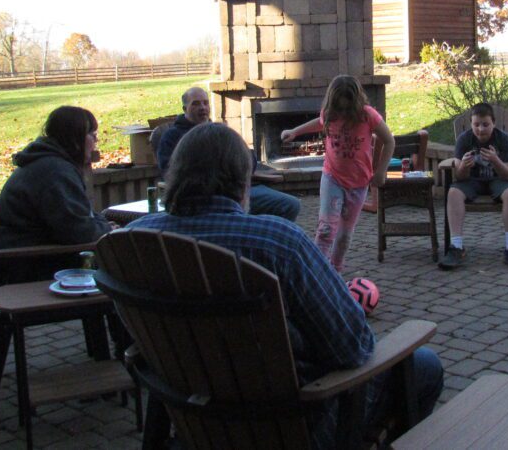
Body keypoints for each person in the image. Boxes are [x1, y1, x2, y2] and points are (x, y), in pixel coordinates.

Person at [128, 122, 443, 449]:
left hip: (196, 422)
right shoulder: (277, 243)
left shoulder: (132, 241)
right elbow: (354, 347)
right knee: (424, 367)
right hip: (292, 427)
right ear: (243, 183)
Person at [0, 106, 114, 283]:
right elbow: (79, 232)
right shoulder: (56, 173)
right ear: (75, 139)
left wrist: (103, 225)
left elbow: (81, 219)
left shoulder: (48, 163)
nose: (96, 140)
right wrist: (109, 231)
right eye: (92, 135)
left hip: (21, 258)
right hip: (29, 267)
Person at [281, 75, 395, 273]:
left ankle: (334, 271)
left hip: (358, 184)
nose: (343, 112)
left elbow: (389, 141)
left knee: (344, 235)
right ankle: (316, 272)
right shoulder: (330, 114)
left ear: (355, 102)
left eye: (346, 108)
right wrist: (295, 131)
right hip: (332, 178)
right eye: (339, 108)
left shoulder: (368, 115)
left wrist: (381, 171)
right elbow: (319, 121)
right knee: (326, 229)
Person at [157, 86, 300, 221]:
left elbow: (247, 158)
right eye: (196, 104)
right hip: (200, 196)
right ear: (185, 109)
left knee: (290, 204)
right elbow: (168, 172)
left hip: (238, 190)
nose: (202, 108)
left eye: (206, 103)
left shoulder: (220, 132)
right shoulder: (172, 137)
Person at [441, 102, 508, 271]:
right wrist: (464, 165)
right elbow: (459, 176)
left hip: (499, 179)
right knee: (453, 193)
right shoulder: (464, 139)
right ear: (471, 124)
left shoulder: (503, 139)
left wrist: (495, 160)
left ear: (493, 123)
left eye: (485, 124)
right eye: (476, 125)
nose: (481, 129)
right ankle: (456, 247)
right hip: (472, 181)